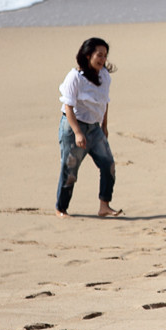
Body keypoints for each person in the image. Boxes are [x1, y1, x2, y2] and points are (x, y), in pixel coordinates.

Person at [56, 37, 122, 218]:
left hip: (95, 128)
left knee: (108, 165)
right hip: (73, 127)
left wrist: (104, 126)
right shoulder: (75, 78)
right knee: (70, 170)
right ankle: (61, 209)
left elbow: (104, 103)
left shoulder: (104, 76)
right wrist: (77, 133)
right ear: (87, 55)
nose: (102, 59)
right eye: (99, 55)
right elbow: (68, 107)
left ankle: (104, 206)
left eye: (105, 56)